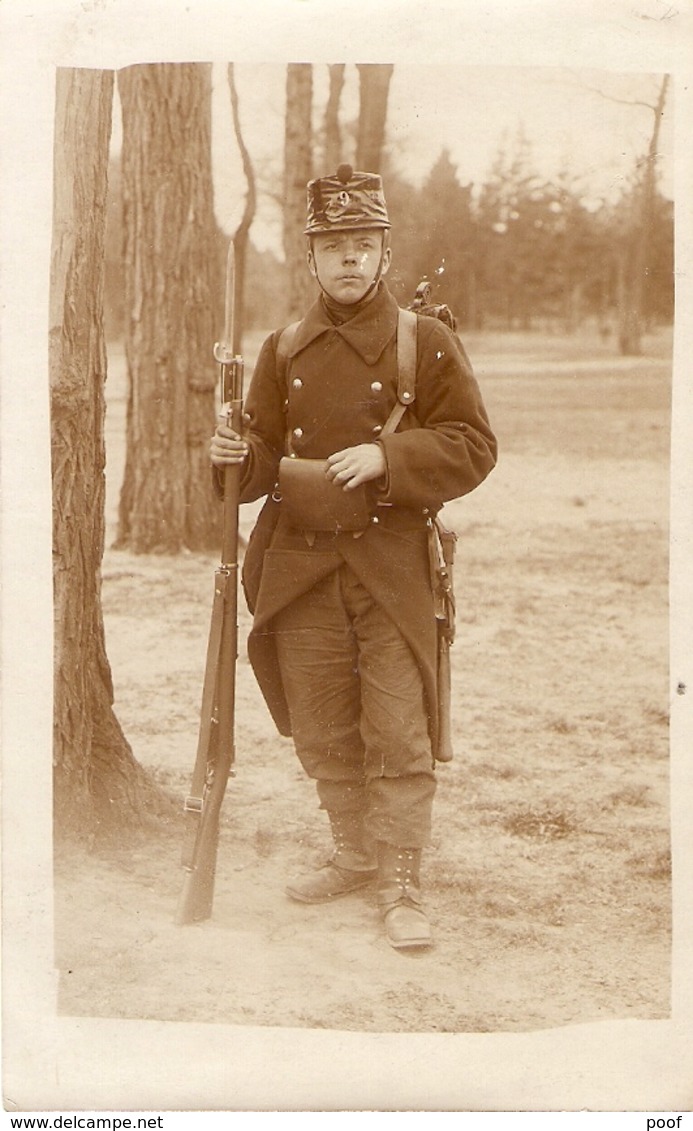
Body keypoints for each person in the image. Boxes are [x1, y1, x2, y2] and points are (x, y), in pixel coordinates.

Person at [211, 163, 497, 951]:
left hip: (393, 565)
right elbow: (261, 461)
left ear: (384, 254)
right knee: (322, 723)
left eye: (361, 243)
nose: (347, 259)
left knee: (398, 729)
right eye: (331, 245)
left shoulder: (424, 342)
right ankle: (352, 851)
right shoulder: (282, 348)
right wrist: (232, 453)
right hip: (299, 566)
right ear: (309, 259)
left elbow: (473, 445)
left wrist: (387, 459)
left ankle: (402, 877)